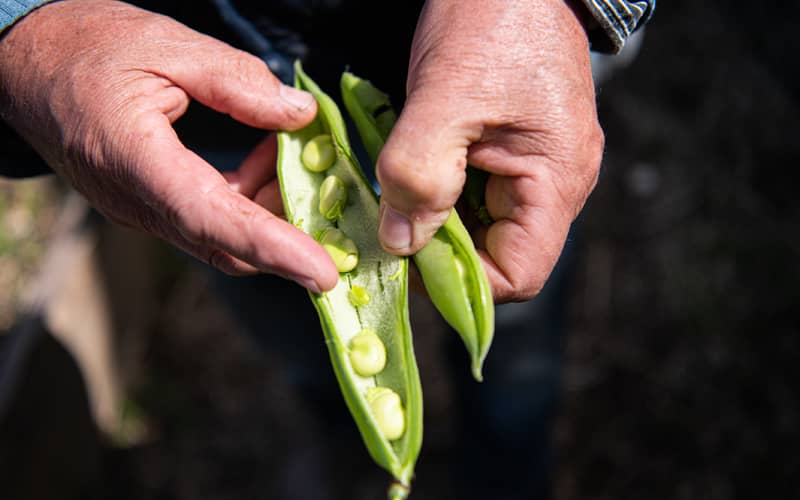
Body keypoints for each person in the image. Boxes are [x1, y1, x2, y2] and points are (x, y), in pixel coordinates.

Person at [1, 0, 653, 497]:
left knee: (508, 317)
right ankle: (348, 446)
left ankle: (506, 471)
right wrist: (24, 33)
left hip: (495, 56)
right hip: (196, 86)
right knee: (278, 304)